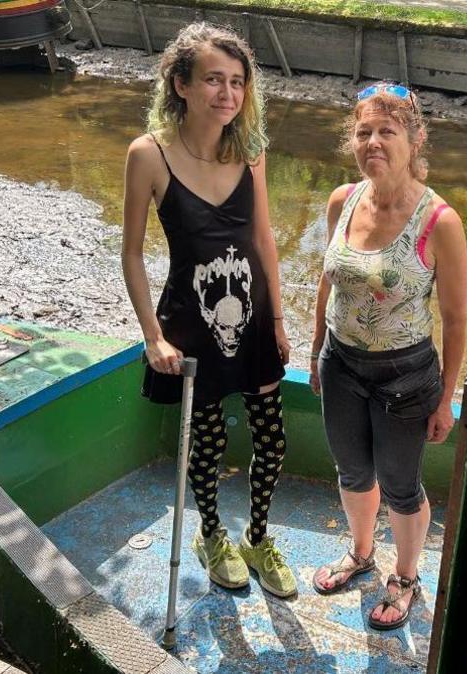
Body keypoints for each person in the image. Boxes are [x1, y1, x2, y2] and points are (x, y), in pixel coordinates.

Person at [121, 22, 296, 599]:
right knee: (209, 439)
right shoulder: (148, 155)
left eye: (238, 82)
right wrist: (152, 338)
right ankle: (212, 533)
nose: (228, 94)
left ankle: (259, 537)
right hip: (189, 326)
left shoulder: (252, 152)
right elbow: (131, 254)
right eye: (214, 80)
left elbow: (265, 239)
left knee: (273, 440)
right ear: (181, 83)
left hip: (255, 319)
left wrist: (276, 319)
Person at [309, 82, 467, 630]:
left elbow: (454, 320)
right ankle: (360, 554)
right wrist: (315, 355)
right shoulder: (342, 199)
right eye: (363, 131)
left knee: (401, 484)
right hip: (341, 365)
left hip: (406, 378)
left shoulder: (439, 221)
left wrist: (446, 399)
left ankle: (404, 576)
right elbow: (326, 284)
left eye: (387, 130)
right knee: (352, 470)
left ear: (415, 139)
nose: (373, 141)